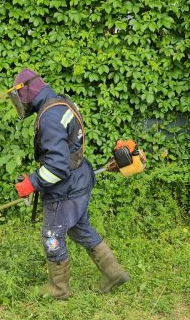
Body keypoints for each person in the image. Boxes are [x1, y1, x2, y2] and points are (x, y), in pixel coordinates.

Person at [7, 68, 129, 300]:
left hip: (65, 190)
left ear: (29, 91)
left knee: (51, 234)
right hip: (80, 182)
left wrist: (32, 182)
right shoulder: (60, 103)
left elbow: (57, 167)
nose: (20, 103)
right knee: (79, 228)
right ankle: (114, 273)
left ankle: (59, 289)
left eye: (20, 97)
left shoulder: (49, 117)